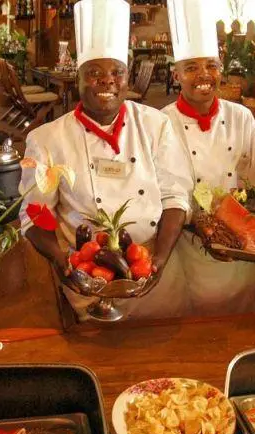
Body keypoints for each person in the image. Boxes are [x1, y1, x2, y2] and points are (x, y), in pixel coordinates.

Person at [18, 0, 194, 320]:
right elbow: (36, 213)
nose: (107, 80)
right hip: (87, 284)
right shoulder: (46, 140)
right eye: (94, 72)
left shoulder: (157, 126)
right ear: (78, 78)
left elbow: (175, 196)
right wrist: (61, 259)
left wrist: (162, 258)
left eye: (117, 72)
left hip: (155, 278)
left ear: (126, 77)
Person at [161, 0, 255, 316]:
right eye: (191, 68)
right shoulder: (160, 123)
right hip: (189, 248)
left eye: (211, 65)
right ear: (176, 75)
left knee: (244, 326)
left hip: (240, 247)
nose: (203, 75)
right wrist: (202, 222)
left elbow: (251, 179)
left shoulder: (242, 117)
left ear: (221, 68)